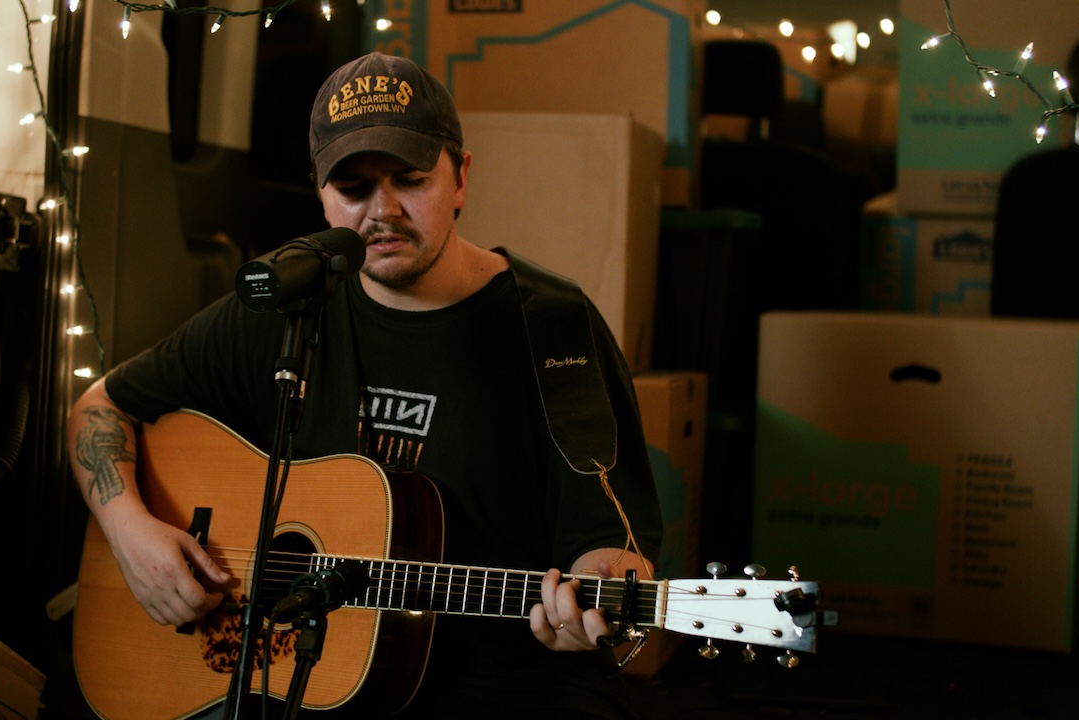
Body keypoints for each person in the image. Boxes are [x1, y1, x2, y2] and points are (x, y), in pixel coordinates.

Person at [67, 52, 662, 719]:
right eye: (353, 188)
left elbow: (614, 547)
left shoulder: (554, 327)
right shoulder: (288, 303)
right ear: (321, 195)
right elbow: (100, 407)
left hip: (509, 680)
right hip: (310, 674)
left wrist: (595, 602)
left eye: (411, 179)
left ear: (461, 178)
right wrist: (132, 534)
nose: (384, 210)